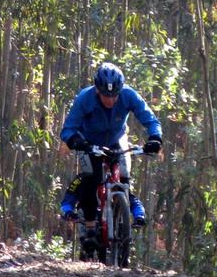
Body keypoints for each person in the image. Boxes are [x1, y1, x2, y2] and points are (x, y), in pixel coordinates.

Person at [59, 62, 162, 245]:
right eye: (106, 95)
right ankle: (90, 227)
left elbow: (151, 120)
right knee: (91, 177)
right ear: (97, 90)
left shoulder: (129, 95)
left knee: (124, 176)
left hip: (117, 139)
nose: (110, 100)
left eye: (114, 95)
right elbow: (68, 129)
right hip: (89, 142)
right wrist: (75, 140)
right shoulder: (85, 98)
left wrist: (155, 138)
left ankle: (122, 217)